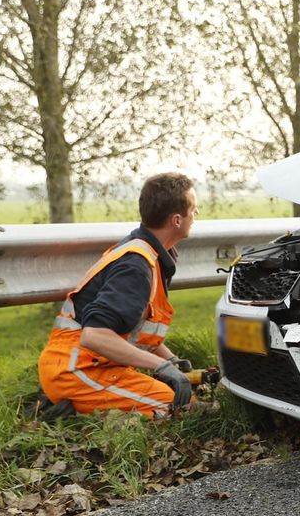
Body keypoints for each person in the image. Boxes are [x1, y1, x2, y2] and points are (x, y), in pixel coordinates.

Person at [37, 172, 199, 417]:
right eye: (194, 210)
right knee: (181, 407)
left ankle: (77, 409)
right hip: (76, 372)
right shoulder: (135, 266)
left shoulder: (146, 253)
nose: (196, 215)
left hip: (92, 365)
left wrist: (173, 362)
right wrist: (162, 366)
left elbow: (133, 331)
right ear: (177, 220)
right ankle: (71, 412)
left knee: (186, 397)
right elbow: (94, 336)